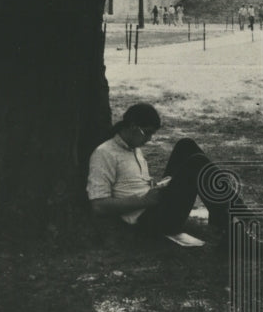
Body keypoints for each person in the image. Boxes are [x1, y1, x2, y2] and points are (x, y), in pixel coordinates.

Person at [87, 104, 242, 250]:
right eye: (147, 133)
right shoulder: (104, 154)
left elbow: (132, 183)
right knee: (196, 163)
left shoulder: (133, 147)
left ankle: (237, 212)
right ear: (133, 127)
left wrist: (155, 186)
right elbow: (98, 206)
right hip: (148, 220)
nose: (149, 139)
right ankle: (227, 227)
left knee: (185, 145)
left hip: (154, 204)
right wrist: (143, 200)